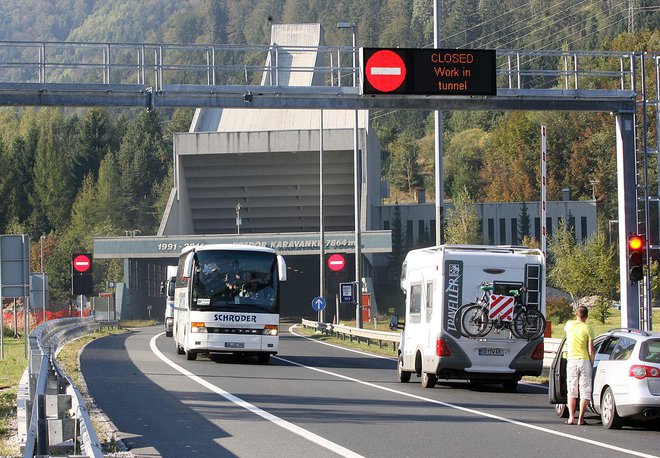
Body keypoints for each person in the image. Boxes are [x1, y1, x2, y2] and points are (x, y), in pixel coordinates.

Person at [564, 305, 595, 426]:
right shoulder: (588, 328)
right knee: (585, 390)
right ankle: (581, 419)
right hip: (584, 360)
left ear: (576, 314)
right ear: (586, 316)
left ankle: (571, 417)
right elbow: (591, 349)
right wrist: (591, 363)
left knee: (571, 390)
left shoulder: (569, 325)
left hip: (572, 361)